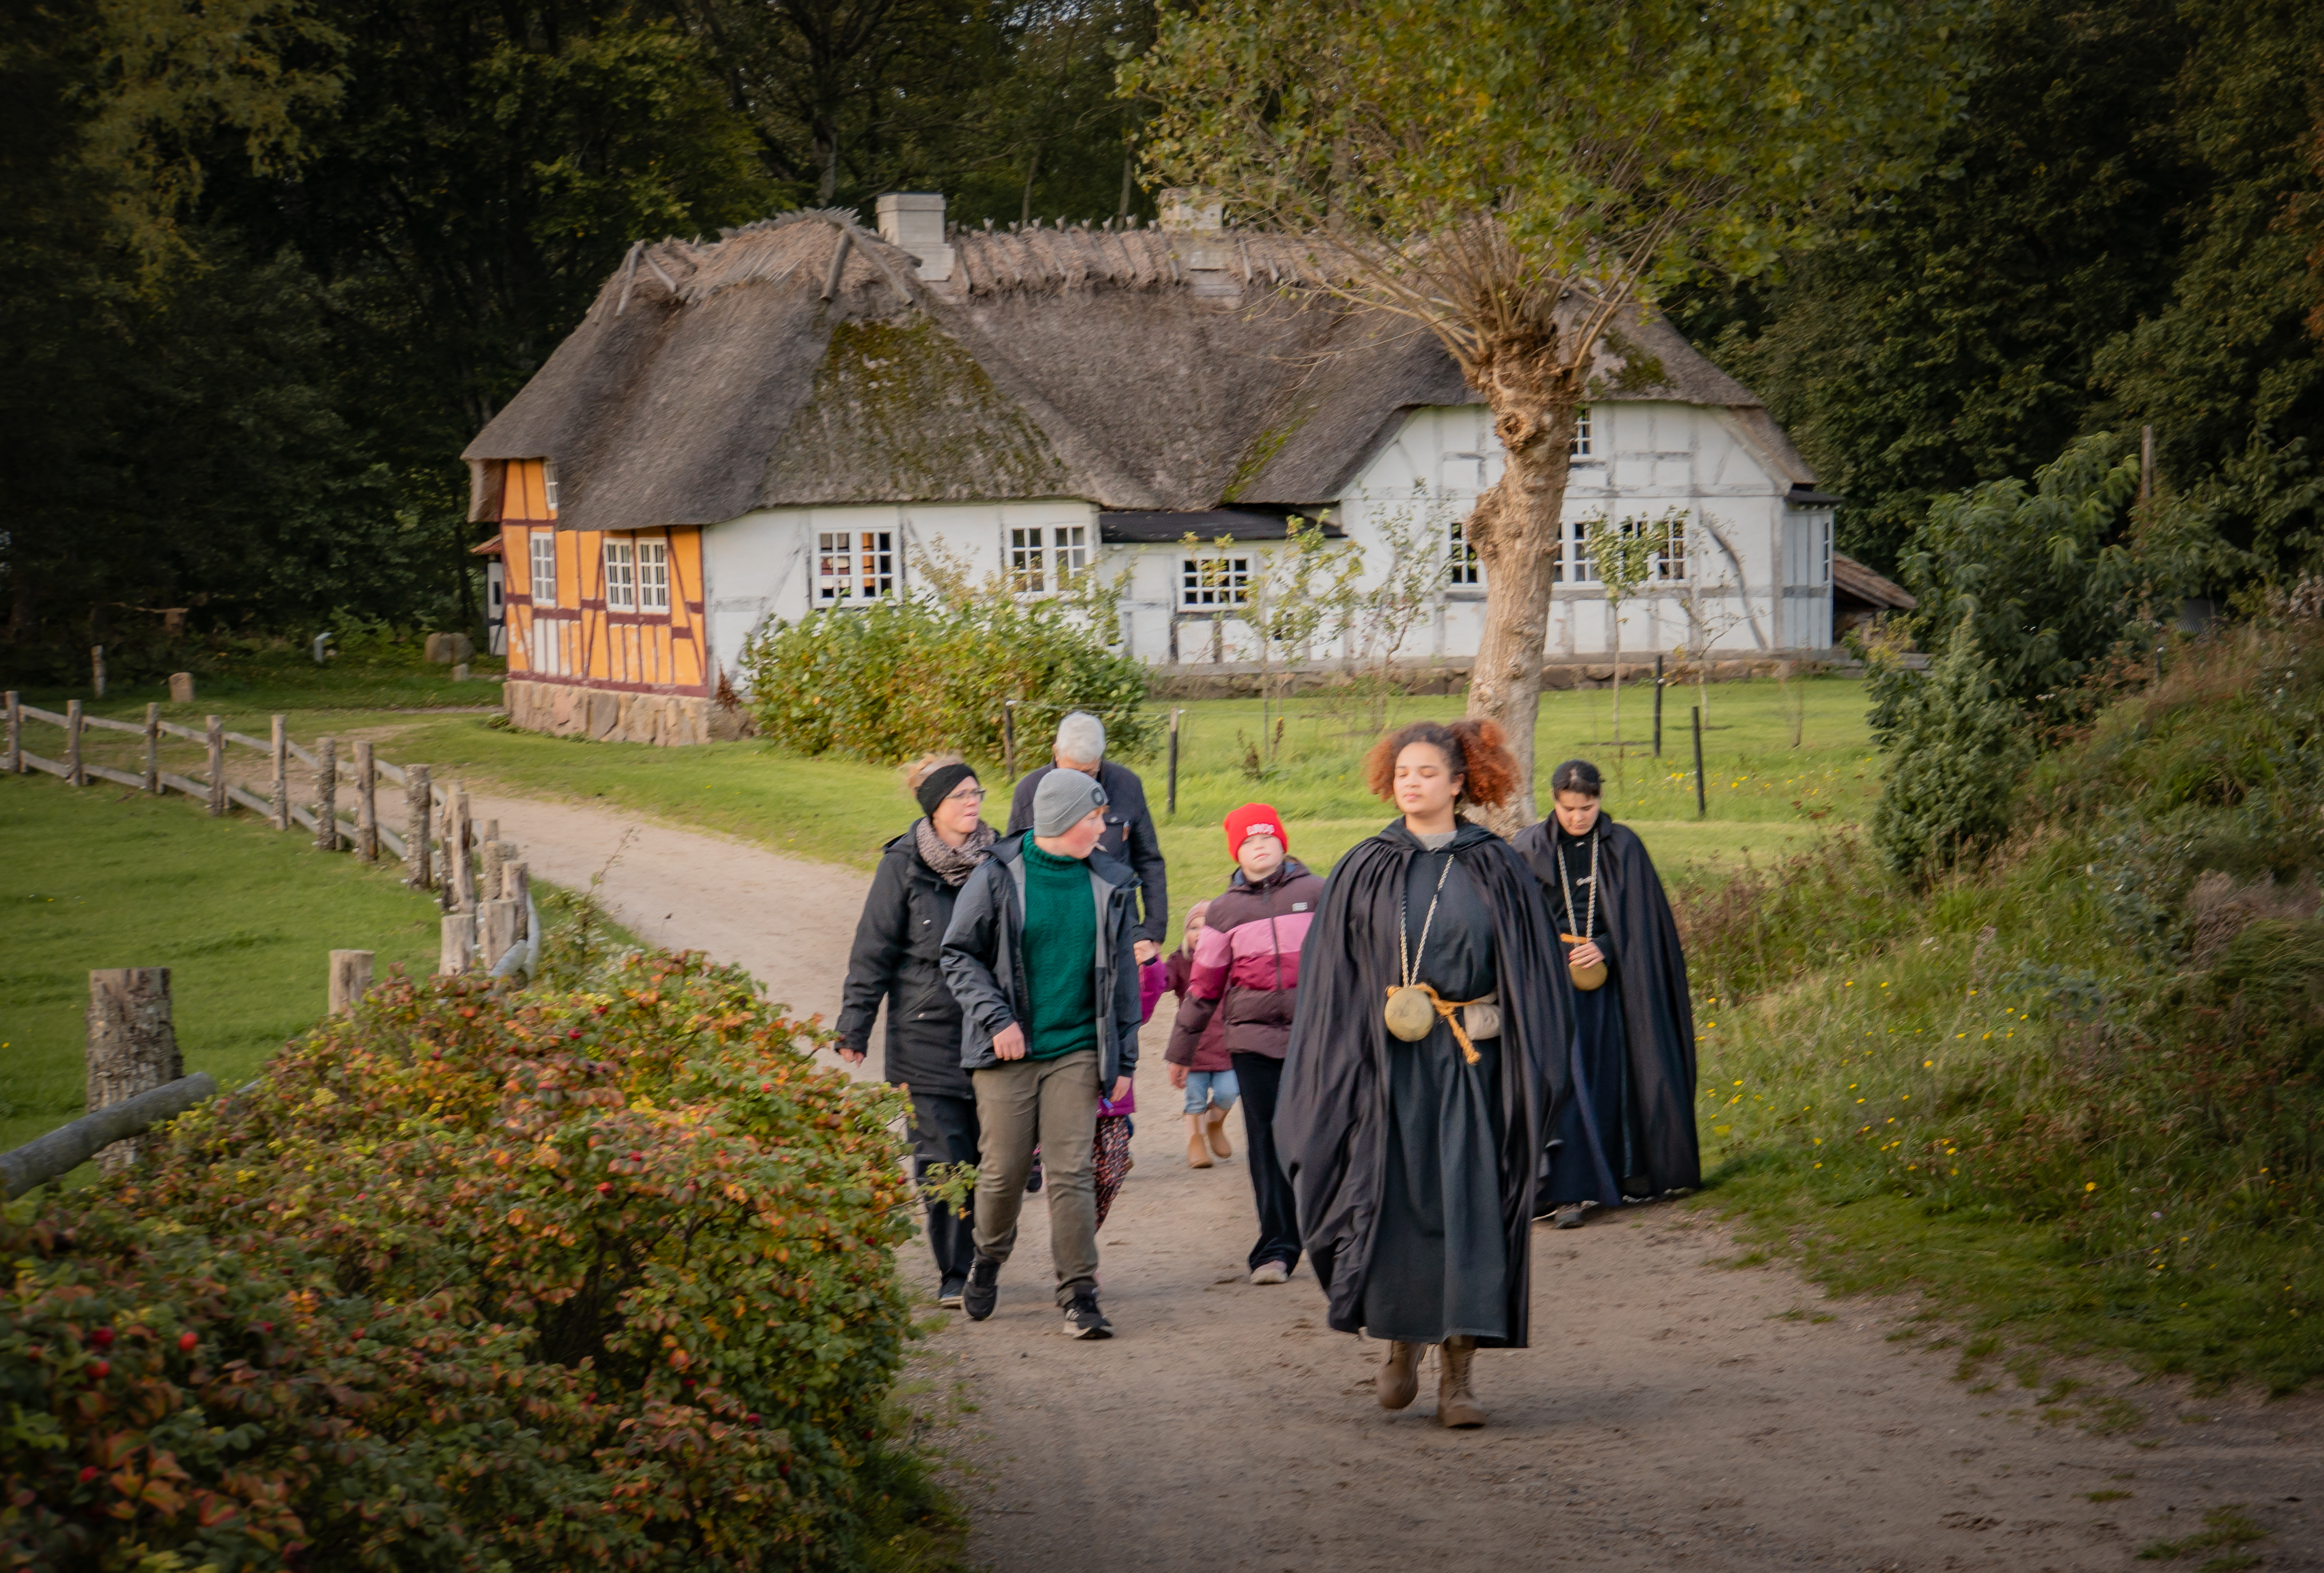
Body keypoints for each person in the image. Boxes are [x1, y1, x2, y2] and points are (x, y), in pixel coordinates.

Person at [1277, 719, 1570, 1428]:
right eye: (1403, 771)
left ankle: (1460, 1374)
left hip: (1473, 1066)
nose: (1412, 782)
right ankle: (1402, 1345)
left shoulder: (1496, 866)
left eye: (1427, 772)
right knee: (1397, 1204)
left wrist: (1519, 1054)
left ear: (1461, 782)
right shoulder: (1364, 865)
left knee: (1470, 1208)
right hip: (1387, 1069)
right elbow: (1331, 979)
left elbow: (1533, 976)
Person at [942, 767, 1143, 1339]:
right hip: (1008, 1051)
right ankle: (987, 1258)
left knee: (1071, 1172)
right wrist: (998, 1018)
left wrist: (1125, 1058)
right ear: (1060, 823)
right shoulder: (998, 876)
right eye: (1094, 818)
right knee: (1003, 1173)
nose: (1104, 829)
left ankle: (1079, 1292)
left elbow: (1123, 976)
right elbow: (958, 955)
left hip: (1076, 1049)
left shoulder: (1109, 882)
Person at [836, 752, 994, 1308]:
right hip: (923, 1033)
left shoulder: (1002, 862)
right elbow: (872, 951)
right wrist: (855, 1026)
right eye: (962, 796)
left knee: (988, 1155)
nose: (974, 803)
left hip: (991, 1032)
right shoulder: (902, 865)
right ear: (935, 807)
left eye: (978, 794)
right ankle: (956, 1269)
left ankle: (984, 1257)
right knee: (940, 1156)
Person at [1514, 759, 1701, 1226]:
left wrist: (1605, 947)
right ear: (1554, 801)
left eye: (1589, 806)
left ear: (1601, 800)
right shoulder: (1528, 848)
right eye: (1569, 808)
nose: (1579, 817)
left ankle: (1618, 1176)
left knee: (1608, 1082)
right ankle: (1566, 1193)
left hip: (1614, 992)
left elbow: (1646, 922)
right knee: (1564, 1084)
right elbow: (1516, 922)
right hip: (1552, 987)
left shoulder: (1624, 847)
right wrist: (1554, 957)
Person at [1169, 802, 1325, 1285]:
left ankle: (1331, 1240)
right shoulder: (1224, 911)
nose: (1261, 847)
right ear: (1237, 850)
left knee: (1321, 1137)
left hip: (1313, 1037)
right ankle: (1276, 1248)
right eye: (1250, 841)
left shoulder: (1319, 892)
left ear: (1283, 842)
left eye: (1268, 839)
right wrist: (1181, 1050)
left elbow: (1351, 960)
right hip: (1253, 1044)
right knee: (1266, 1141)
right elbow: (1204, 986)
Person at [1006, 711, 1169, 966]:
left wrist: (1154, 930)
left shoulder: (1127, 785)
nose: (1081, 783)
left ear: (1101, 758)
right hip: (1052, 927)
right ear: (1056, 753)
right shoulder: (1029, 791)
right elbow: (1013, 867)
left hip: (1117, 923)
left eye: (1090, 773)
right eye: (1072, 772)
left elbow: (1149, 860)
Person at [1164, 900, 1234, 1169]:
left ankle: (1214, 1121)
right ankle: (1195, 1140)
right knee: (1194, 1097)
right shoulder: (1181, 962)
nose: (1199, 932)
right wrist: (1148, 967)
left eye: (1207, 927)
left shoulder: (1232, 961)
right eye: (1194, 927)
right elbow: (1163, 981)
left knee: (1229, 1092)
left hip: (1226, 1046)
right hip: (1193, 1048)